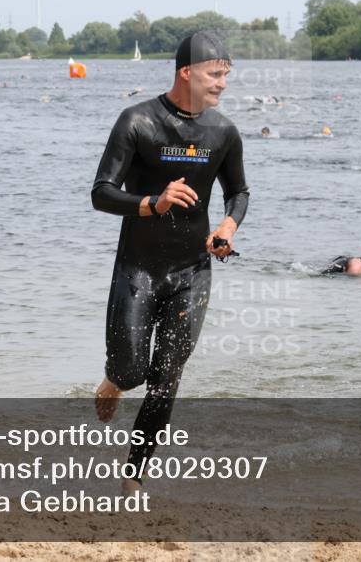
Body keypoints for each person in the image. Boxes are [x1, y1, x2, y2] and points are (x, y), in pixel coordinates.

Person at [91, 31, 249, 495]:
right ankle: (112, 382)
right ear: (187, 72)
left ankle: (134, 474)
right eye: (214, 74)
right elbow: (101, 192)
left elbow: (238, 193)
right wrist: (152, 204)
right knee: (131, 372)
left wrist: (226, 229)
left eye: (226, 75)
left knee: (165, 378)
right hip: (138, 268)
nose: (222, 83)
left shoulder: (223, 132)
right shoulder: (138, 121)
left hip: (192, 271)